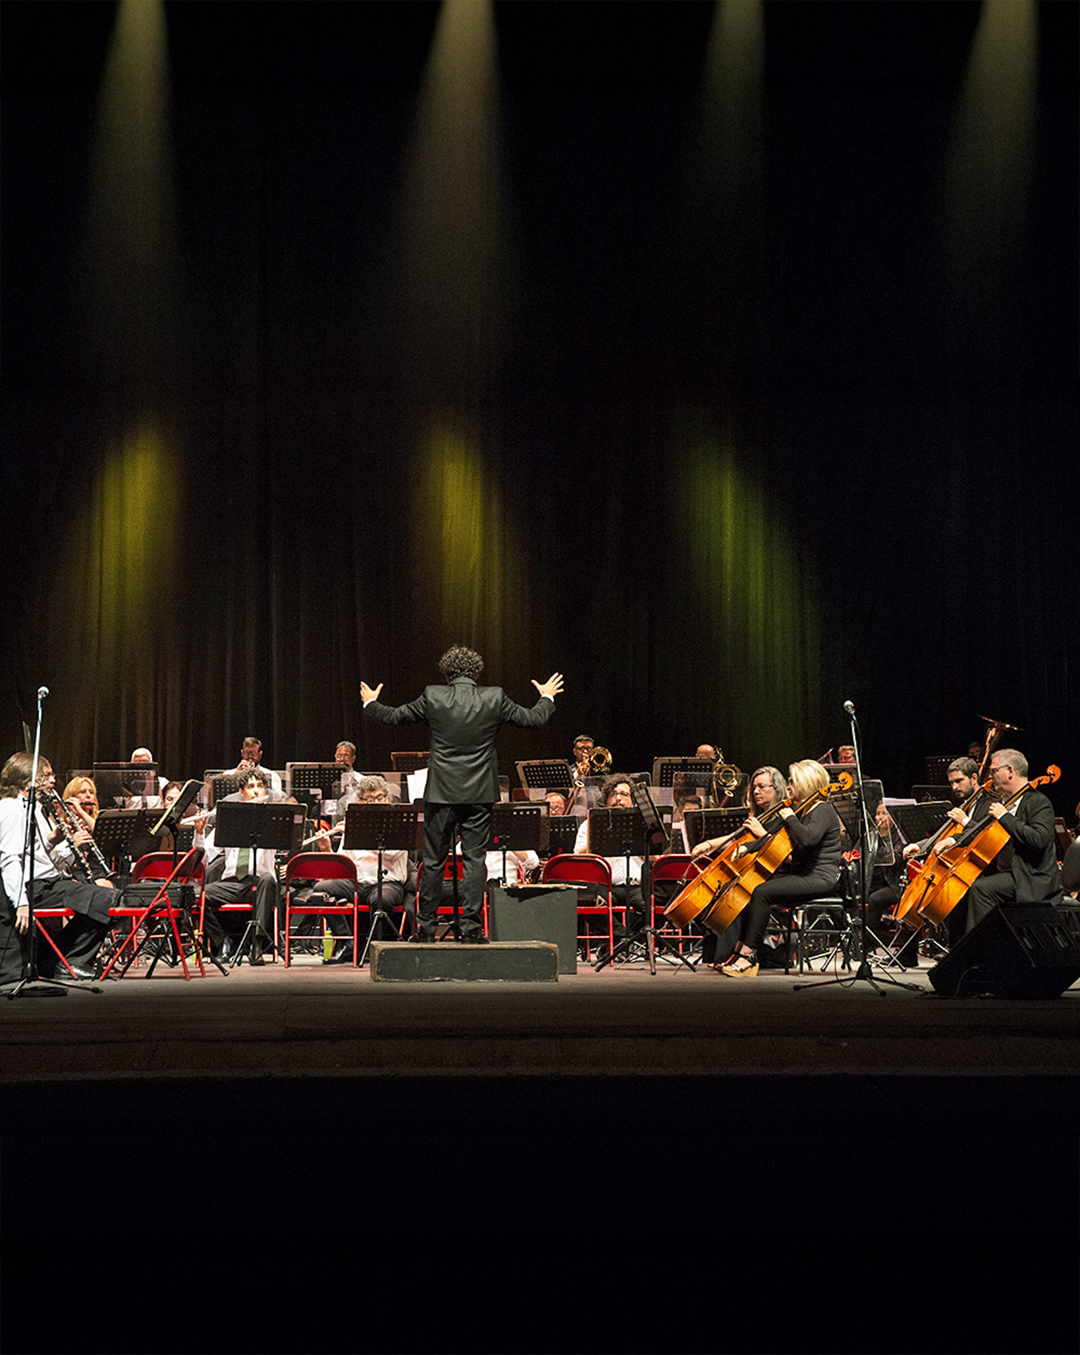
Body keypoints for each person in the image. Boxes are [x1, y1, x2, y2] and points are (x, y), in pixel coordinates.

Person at [361, 646, 562, 943]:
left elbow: (394, 717)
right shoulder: (494, 696)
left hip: (441, 792)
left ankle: (426, 930)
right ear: (476, 673)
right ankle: (470, 929)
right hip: (480, 793)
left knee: (433, 862)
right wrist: (546, 696)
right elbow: (532, 719)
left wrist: (371, 703)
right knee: (474, 861)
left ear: (447, 673)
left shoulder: (433, 695)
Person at [709, 760, 843, 977]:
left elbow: (808, 840)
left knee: (762, 892)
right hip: (804, 875)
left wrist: (789, 816)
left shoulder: (823, 810)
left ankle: (749, 956)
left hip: (821, 878)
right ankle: (738, 951)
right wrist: (747, 847)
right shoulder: (805, 811)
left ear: (806, 783)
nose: (788, 786)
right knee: (752, 888)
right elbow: (776, 841)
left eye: (792, 781)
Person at [0, 753, 115, 981]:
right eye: (46, 776)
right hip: (37, 887)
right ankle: (71, 961)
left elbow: (43, 855)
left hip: (50, 881)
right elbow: (10, 858)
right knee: (108, 900)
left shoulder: (33, 808)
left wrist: (64, 842)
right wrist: (22, 901)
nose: (52, 781)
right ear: (26, 781)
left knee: (109, 899)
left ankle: (55, 959)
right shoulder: (13, 808)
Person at [292, 775, 411, 961]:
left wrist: (360, 834)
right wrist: (326, 848)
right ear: (361, 801)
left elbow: (392, 853)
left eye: (379, 798)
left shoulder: (399, 823)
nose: (376, 803)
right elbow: (342, 866)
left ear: (387, 798)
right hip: (356, 884)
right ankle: (349, 942)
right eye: (370, 800)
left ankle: (376, 950)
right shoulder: (354, 823)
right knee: (321, 889)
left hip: (388, 883)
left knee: (383, 899)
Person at [961, 749, 1063, 933]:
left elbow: (1038, 839)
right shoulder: (1004, 803)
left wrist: (1005, 817)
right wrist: (952, 841)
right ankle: (963, 949)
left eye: (993, 771)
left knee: (982, 889)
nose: (989, 777)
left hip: (1030, 877)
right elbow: (981, 834)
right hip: (1008, 873)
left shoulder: (1038, 802)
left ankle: (978, 953)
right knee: (963, 886)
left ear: (1010, 770)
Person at [200, 768, 279, 963]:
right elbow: (205, 856)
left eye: (260, 786)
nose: (256, 791)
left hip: (260, 883)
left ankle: (256, 943)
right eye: (251, 787)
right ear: (241, 792)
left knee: (268, 879)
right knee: (195, 896)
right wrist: (198, 833)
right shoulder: (229, 822)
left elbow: (287, 842)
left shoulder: (273, 820)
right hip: (232, 884)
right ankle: (223, 942)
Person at [573, 776, 648, 939]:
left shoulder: (645, 824)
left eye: (624, 794)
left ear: (633, 800)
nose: (618, 798)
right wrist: (597, 837)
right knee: (588, 902)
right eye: (613, 794)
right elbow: (579, 858)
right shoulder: (588, 824)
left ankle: (627, 941)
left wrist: (646, 851)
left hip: (637, 886)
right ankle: (626, 937)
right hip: (605, 887)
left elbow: (658, 858)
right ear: (606, 799)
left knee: (657, 907)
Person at [902, 757, 990, 863]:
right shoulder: (962, 806)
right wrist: (920, 846)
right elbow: (943, 835)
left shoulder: (990, 804)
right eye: (952, 783)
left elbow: (986, 836)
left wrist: (964, 820)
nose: (954, 787)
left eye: (958, 781)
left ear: (974, 778)